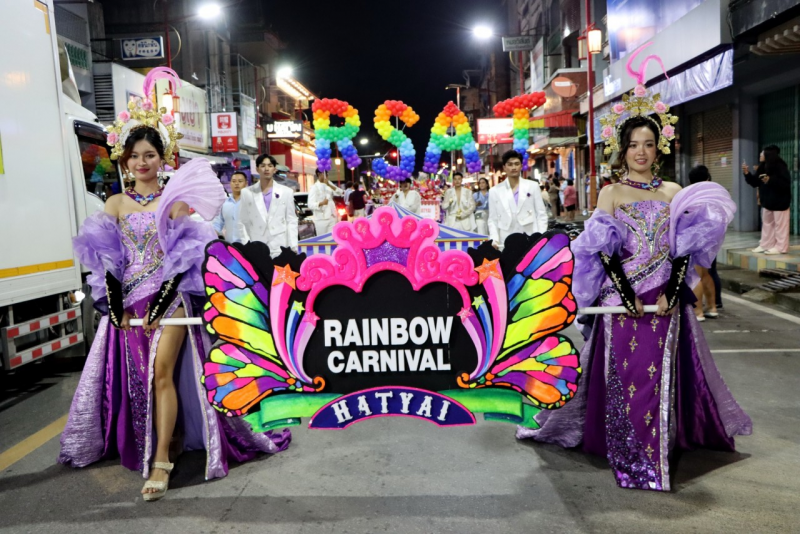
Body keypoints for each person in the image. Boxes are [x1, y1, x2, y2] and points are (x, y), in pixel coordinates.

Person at [59, 75, 289, 502]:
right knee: (139, 380)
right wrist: (115, 306)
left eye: (149, 154)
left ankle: (161, 461)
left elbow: (183, 259)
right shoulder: (115, 204)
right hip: (130, 307)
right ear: (124, 159)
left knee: (162, 373)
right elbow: (107, 261)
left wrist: (161, 302)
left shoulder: (175, 203)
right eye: (134, 156)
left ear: (162, 157)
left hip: (171, 302)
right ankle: (168, 437)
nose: (141, 162)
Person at [517, 78, 751, 491]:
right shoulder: (610, 193)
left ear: (659, 148)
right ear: (622, 150)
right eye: (633, 145)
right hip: (622, 301)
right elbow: (605, 252)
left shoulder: (675, 192)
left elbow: (684, 250)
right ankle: (629, 447)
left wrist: (672, 292)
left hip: (664, 300)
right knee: (627, 376)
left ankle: (655, 446)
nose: (641, 152)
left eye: (648, 144)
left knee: (658, 377)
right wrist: (626, 296)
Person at [237, 154, 298, 258]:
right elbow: (242, 221)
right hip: (256, 246)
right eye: (263, 166)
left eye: (270, 166)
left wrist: (293, 247)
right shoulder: (247, 193)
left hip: (280, 246)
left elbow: (291, 220)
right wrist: (246, 244)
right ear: (257, 169)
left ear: (274, 169)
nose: (266, 169)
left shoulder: (286, 192)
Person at [487, 150, 548, 249]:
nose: (513, 167)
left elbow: (541, 214)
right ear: (504, 167)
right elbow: (493, 219)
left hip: (530, 237)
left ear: (521, 166)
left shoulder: (532, 186)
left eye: (516, 164)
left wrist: (540, 236)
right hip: (505, 240)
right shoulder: (495, 191)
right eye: (510, 164)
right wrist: (494, 240)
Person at [743, 145, 791, 254]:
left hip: (780, 202)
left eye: (762, 153)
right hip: (767, 201)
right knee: (767, 224)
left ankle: (781, 247)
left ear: (768, 155)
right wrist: (747, 174)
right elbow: (755, 182)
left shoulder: (780, 166)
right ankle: (765, 245)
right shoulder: (762, 167)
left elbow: (785, 183)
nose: (760, 155)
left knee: (780, 226)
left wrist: (770, 180)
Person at [688, 165, 719, 319]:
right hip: (712, 238)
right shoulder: (714, 194)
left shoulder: (691, 195)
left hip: (696, 237)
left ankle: (698, 311)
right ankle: (712, 307)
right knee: (706, 274)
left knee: (695, 275)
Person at [213, 171, 248, 243]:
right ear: (230, 183)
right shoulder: (224, 204)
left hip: (248, 245)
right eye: (234, 181)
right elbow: (218, 224)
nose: (237, 183)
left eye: (240, 181)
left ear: (246, 184)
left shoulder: (252, 203)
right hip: (230, 246)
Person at [308, 169, 344, 235]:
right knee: (322, 239)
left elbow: (341, 193)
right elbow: (310, 204)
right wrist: (321, 203)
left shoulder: (328, 183)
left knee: (333, 237)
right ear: (319, 174)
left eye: (327, 174)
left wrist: (329, 185)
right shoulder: (314, 187)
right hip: (321, 219)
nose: (327, 176)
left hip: (332, 217)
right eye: (325, 174)